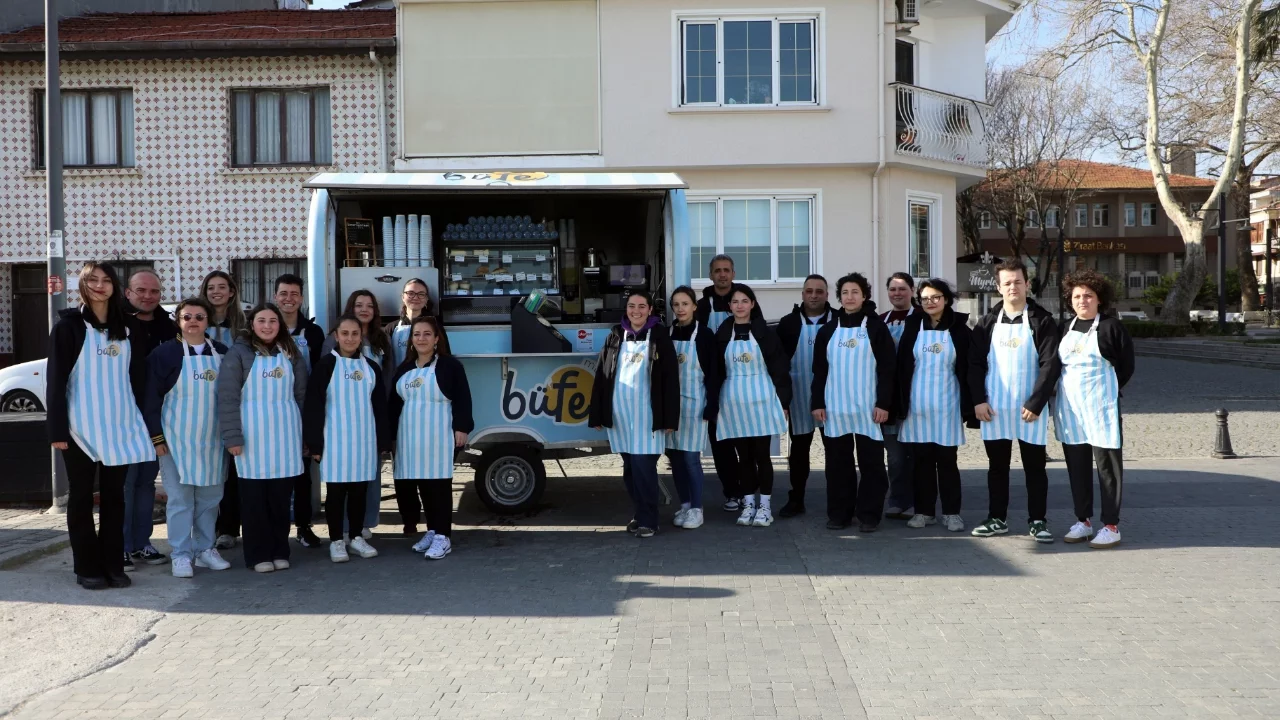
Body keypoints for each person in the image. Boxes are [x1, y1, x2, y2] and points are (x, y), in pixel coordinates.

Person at [46, 262, 155, 590]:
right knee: (80, 497)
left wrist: (141, 423)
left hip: (119, 425)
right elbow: (55, 381)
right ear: (82, 285)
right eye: (92, 280)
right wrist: (57, 429)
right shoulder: (69, 327)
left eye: (106, 280)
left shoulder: (129, 328)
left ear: (115, 287)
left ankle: (112, 563)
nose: (99, 285)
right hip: (79, 427)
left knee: (115, 498)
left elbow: (137, 379)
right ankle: (86, 567)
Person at [968, 259, 1061, 543]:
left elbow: (1050, 365)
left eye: (1017, 281)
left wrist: (1036, 402)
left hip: (1029, 410)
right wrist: (978, 401)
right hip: (994, 408)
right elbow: (973, 365)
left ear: (1027, 284)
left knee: (1035, 468)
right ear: (998, 287)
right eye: (1007, 283)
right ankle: (997, 518)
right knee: (997, 467)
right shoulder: (986, 324)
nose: (1012, 287)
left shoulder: (1041, 321)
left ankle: (1038, 521)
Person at [143, 297, 233, 578]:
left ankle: (205, 549)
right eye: (187, 317)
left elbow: (231, 397)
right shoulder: (164, 355)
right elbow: (150, 400)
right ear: (178, 322)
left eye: (199, 317)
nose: (193, 321)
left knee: (210, 498)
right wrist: (157, 438)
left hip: (213, 440)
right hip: (175, 441)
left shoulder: (222, 352)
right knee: (181, 500)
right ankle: (181, 554)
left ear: (208, 321)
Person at [216, 304, 307, 573]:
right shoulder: (238, 354)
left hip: (286, 435)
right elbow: (228, 398)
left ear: (280, 324)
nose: (267, 326)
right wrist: (232, 437)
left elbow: (301, 396)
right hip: (251, 436)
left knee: (280, 500)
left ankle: (280, 549)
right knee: (254, 501)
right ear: (252, 324)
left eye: (272, 321)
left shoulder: (291, 353)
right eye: (261, 321)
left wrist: (303, 436)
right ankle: (257, 554)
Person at [590, 291, 680, 538]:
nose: (636, 311)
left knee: (644, 469)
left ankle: (650, 520)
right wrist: (597, 414)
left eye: (641, 306)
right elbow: (602, 375)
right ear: (626, 309)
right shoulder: (615, 335)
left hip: (648, 417)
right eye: (632, 306)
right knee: (629, 470)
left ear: (650, 309)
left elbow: (671, 379)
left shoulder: (659, 335)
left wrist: (671, 418)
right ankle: (640, 514)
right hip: (621, 416)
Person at [1055, 269, 1134, 549]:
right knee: (1077, 468)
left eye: (1088, 295)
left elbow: (1126, 367)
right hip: (1071, 410)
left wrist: (1106, 391)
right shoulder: (1065, 327)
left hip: (1101, 409)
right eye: (1077, 296)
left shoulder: (1112, 327)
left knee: (1107, 470)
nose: (1082, 300)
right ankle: (1083, 521)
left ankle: (1111, 526)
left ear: (1099, 299)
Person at [810, 273, 896, 532]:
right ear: (839, 297)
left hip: (868, 409)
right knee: (837, 466)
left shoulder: (876, 328)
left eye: (855, 292)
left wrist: (883, 404)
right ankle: (839, 514)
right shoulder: (828, 330)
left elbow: (887, 370)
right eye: (845, 293)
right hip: (835, 408)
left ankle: (869, 515)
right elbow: (820, 370)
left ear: (865, 296)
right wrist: (817, 402)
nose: (849, 297)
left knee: (872, 465)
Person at [304, 314, 390, 563]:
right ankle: (336, 541)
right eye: (345, 333)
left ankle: (355, 537)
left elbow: (379, 408)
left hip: (363, 441)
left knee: (359, 492)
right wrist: (315, 444)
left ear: (361, 336)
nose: (350, 338)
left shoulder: (371, 368)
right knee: (336, 494)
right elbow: (313, 407)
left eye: (355, 334)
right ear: (336, 336)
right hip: (334, 442)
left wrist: (383, 442)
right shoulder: (324, 367)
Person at [388, 315, 474, 560]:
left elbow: (463, 398)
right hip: (410, 434)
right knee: (421, 483)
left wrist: (462, 427)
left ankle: (443, 536)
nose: (421, 338)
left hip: (439, 433)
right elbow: (393, 406)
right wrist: (389, 438)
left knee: (439, 484)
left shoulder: (450, 366)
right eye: (417, 334)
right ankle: (433, 529)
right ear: (411, 340)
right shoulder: (404, 369)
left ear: (437, 338)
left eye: (427, 334)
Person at [895, 278, 976, 533]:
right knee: (921, 463)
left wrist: (970, 404)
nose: (930, 302)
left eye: (936, 297)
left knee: (947, 462)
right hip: (917, 406)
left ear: (947, 299)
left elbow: (969, 368)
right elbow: (901, 367)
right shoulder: (912, 326)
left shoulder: (960, 329)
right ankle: (924, 512)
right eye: (925, 298)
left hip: (947, 405)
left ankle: (952, 513)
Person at [714, 285, 791, 528]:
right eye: (735, 301)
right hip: (734, 401)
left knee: (762, 455)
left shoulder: (764, 331)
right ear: (729, 306)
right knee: (743, 457)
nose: (739, 305)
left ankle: (765, 507)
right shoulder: (724, 331)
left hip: (762, 398)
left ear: (753, 304)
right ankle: (748, 504)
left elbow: (779, 368)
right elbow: (716, 370)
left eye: (744, 301)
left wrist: (783, 401)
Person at [693, 255, 764, 512]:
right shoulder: (701, 306)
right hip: (711, 380)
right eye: (717, 271)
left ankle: (752, 491)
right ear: (710, 276)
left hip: (743, 381)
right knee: (720, 442)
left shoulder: (746, 301)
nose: (722, 275)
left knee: (747, 442)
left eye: (726, 270)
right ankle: (732, 492)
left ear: (733, 273)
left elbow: (762, 337)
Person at [324, 290, 395, 538]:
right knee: (341, 478)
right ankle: (343, 527)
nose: (364, 309)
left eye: (369, 305)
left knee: (370, 473)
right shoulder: (331, 340)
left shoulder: (381, 340)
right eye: (358, 305)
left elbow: (387, 376)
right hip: (339, 419)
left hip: (370, 416)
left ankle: (365, 522)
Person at [121, 267, 178, 570]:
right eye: (141, 290)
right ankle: (119, 546)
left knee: (145, 483)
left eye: (154, 291)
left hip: (155, 417)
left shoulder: (169, 328)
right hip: (121, 417)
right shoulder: (115, 324)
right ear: (128, 292)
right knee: (123, 484)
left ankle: (142, 544)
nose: (147, 296)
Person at [774, 274, 835, 518]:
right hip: (798, 396)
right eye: (809, 291)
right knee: (799, 451)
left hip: (832, 395)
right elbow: (778, 364)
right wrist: (782, 399)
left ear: (827, 295)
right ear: (802, 294)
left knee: (835, 451)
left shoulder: (839, 320)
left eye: (819, 291)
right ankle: (796, 498)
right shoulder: (788, 324)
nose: (813, 295)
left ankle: (838, 501)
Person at [273, 273, 325, 549]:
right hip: (270, 412)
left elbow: (318, 376)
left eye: (294, 294)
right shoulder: (266, 327)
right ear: (275, 297)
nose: (289, 299)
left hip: (303, 410)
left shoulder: (313, 333)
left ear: (302, 298)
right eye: (284, 293)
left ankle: (304, 526)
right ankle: (274, 526)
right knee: (275, 473)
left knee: (303, 473)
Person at [665, 286, 720, 530]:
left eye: (685, 304)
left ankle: (697, 508)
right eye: (676, 304)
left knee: (690, 459)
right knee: (674, 458)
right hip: (670, 406)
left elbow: (714, 374)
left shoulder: (705, 335)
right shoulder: (666, 334)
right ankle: (685, 504)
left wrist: (712, 406)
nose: (680, 309)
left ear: (694, 306)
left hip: (695, 404)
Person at [204, 270, 246, 551]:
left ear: (232, 292)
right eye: (211, 287)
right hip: (202, 404)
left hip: (236, 404)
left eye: (222, 287)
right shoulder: (197, 321)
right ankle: (206, 527)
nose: (216, 292)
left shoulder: (242, 326)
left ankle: (229, 528)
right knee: (208, 469)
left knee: (232, 470)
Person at [879, 272, 917, 520]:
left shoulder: (924, 319)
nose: (897, 293)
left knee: (917, 453)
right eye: (893, 289)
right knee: (894, 456)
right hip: (890, 399)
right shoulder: (880, 321)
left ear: (912, 291)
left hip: (917, 396)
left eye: (902, 289)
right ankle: (897, 499)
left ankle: (919, 502)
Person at [385, 278, 450, 369]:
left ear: (426, 299)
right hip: (399, 380)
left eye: (421, 294)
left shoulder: (436, 327)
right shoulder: (391, 328)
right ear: (403, 297)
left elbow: (445, 357)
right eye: (410, 293)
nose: (415, 298)